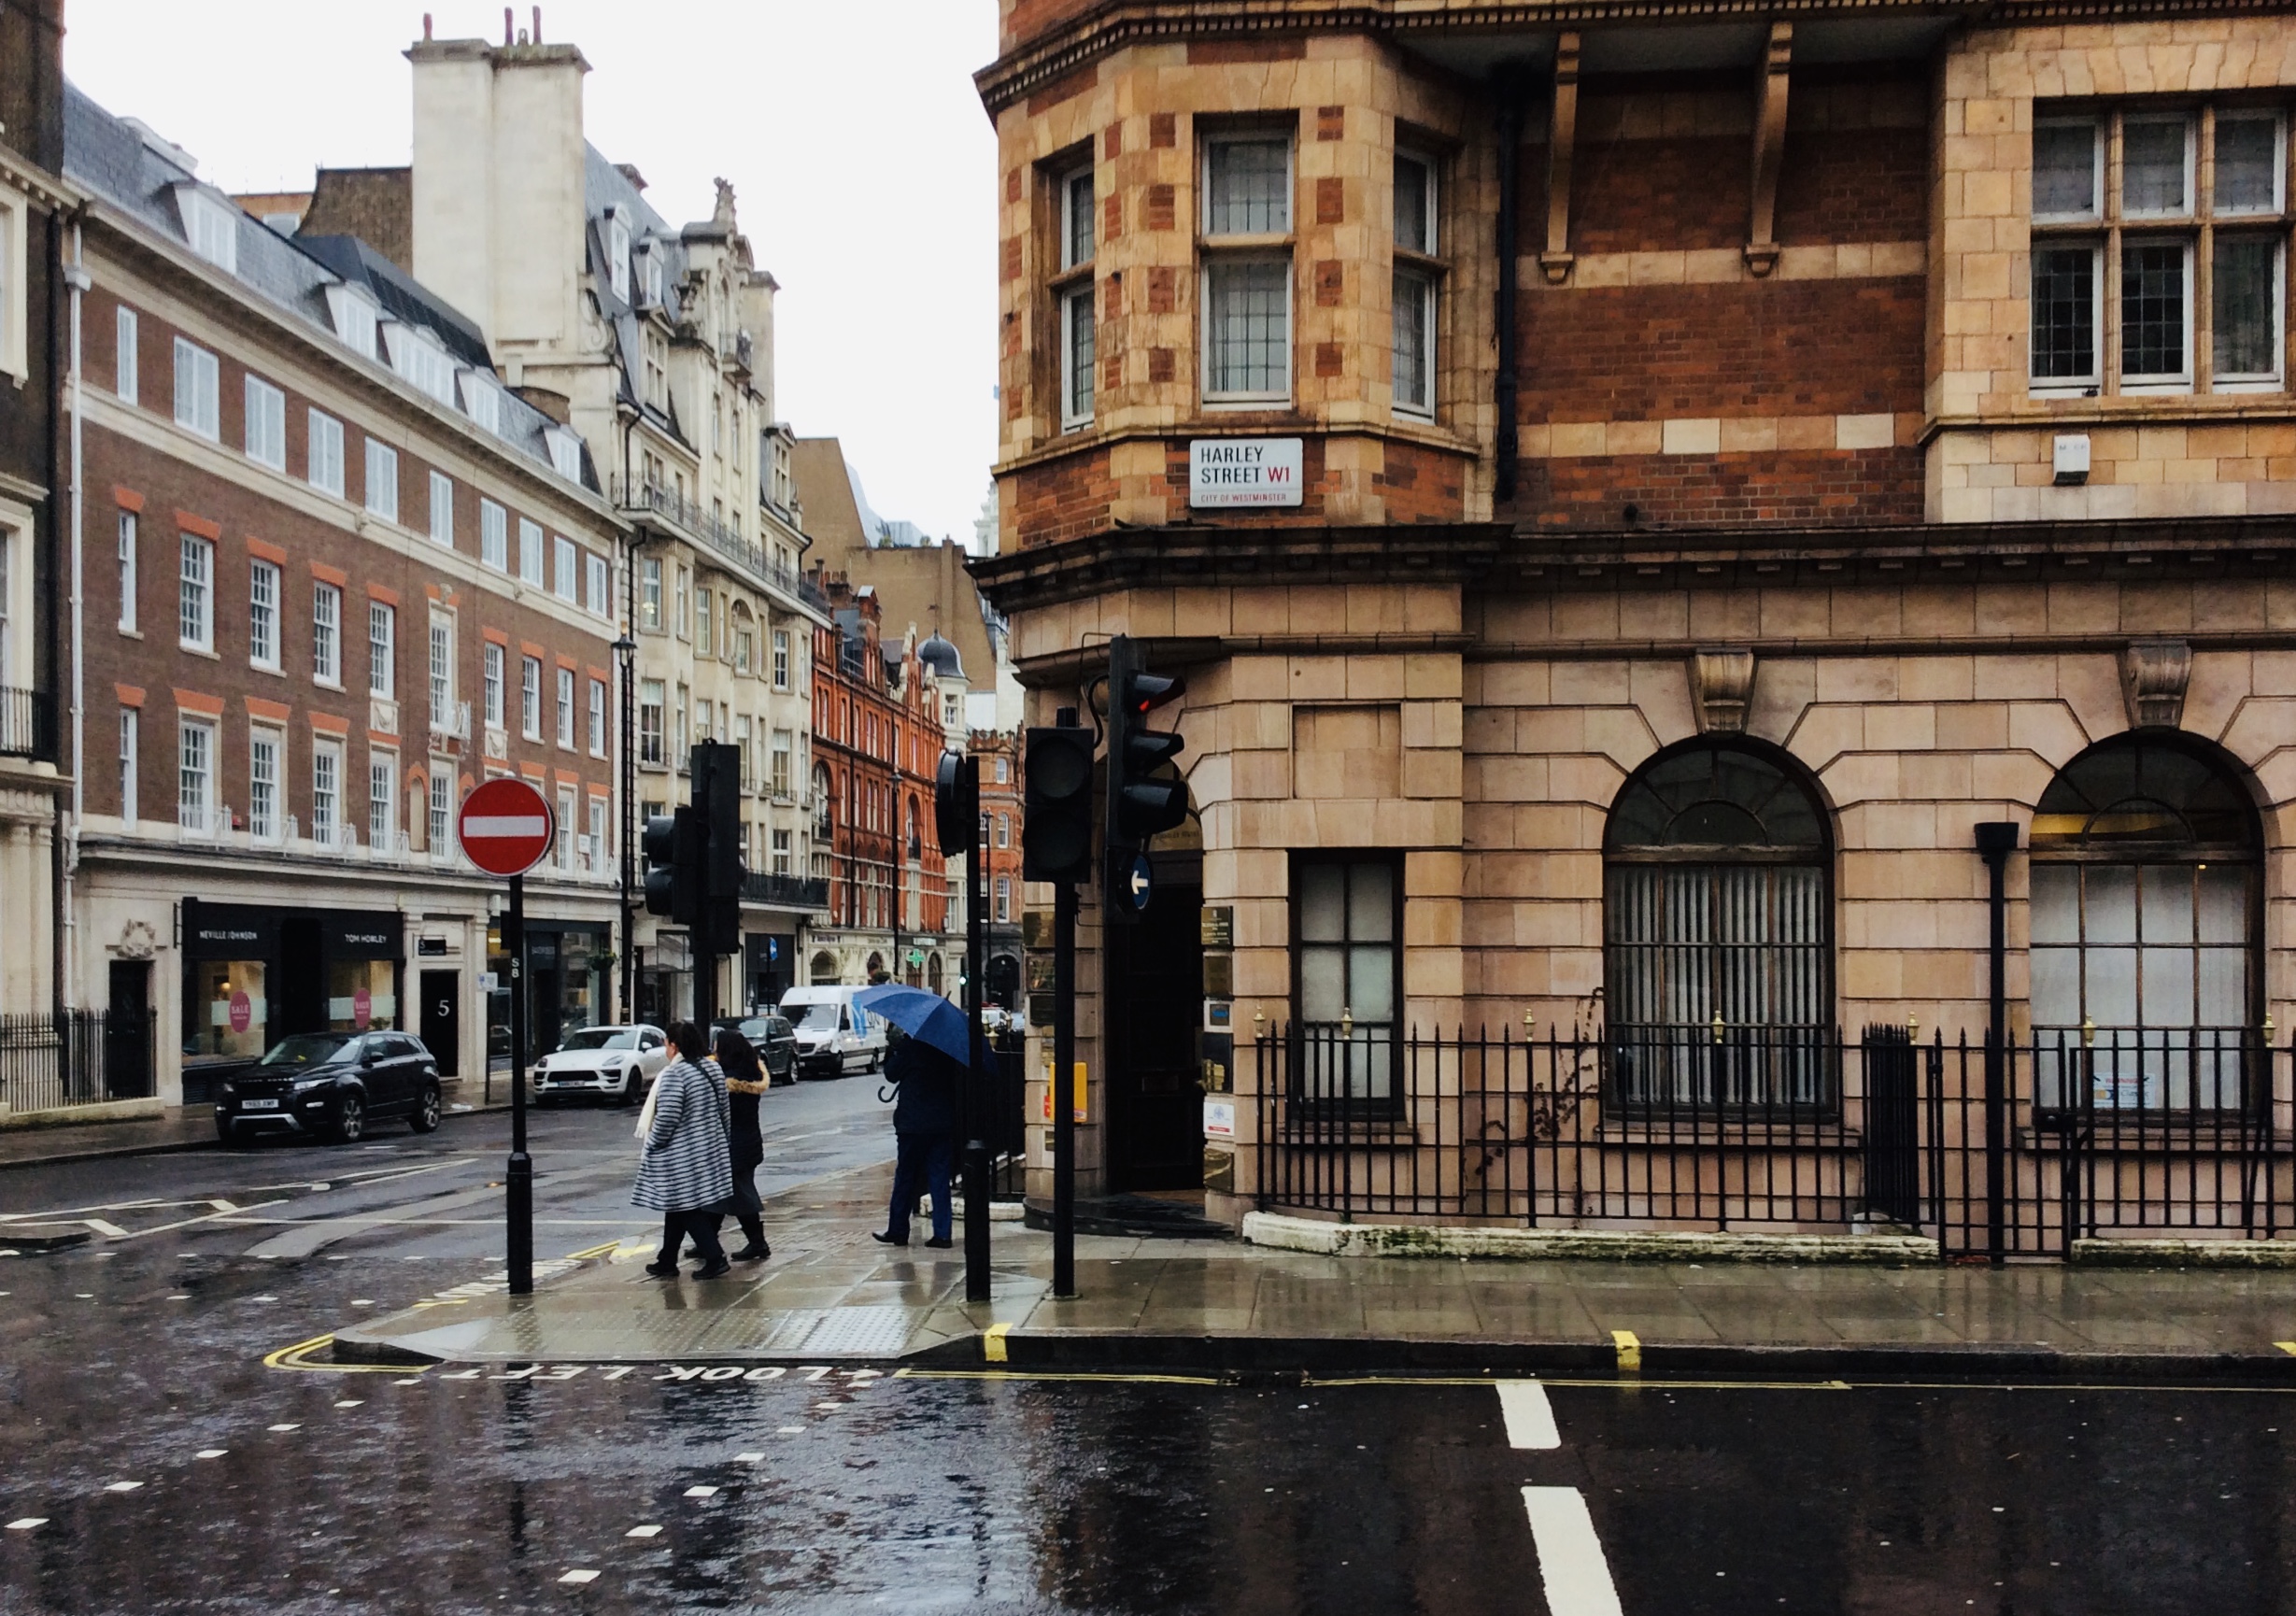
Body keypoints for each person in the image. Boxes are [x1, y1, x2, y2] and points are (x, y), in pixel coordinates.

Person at [632, 1020, 733, 1280]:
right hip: (709, 1149)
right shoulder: (712, 1067)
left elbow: (667, 1117)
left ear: (675, 1046)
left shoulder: (675, 1075)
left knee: (687, 1208)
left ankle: (715, 1257)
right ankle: (667, 1259)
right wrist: (723, 1141)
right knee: (677, 1204)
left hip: (681, 1154)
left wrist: (653, 1143)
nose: (665, 1049)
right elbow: (724, 1110)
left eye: (666, 1043)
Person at [872, 1025, 961, 1250]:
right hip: (941, 1124)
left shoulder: (910, 1049)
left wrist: (893, 1048)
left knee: (905, 1177)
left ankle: (898, 1229)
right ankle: (942, 1233)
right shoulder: (945, 1050)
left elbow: (891, 1074)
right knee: (939, 1178)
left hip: (913, 1125)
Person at [716, 1024, 772, 1263]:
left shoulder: (732, 1083)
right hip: (749, 1142)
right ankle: (705, 1239)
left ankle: (758, 1243)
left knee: (741, 1194)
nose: (714, 1052)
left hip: (736, 1146)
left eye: (717, 1048)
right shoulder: (750, 1072)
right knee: (722, 1194)